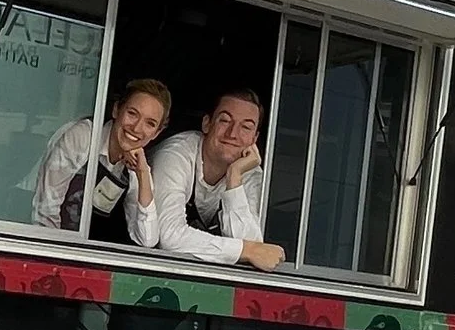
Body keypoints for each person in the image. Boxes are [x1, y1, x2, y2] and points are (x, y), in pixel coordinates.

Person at [150, 87, 286, 271]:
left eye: (246, 127)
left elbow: (254, 251)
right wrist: (246, 250)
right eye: (225, 120)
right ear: (207, 123)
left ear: (254, 138)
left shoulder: (248, 170)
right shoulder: (175, 154)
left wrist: (234, 176)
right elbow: (169, 237)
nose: (232, 133)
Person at [33, 76, 171, 245]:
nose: (136, 128)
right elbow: (45, 211)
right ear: (116, 110)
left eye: (150, 124)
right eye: (132, 114)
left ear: (156, 133)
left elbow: (147, 239)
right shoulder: (83, 137)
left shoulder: (137, 165)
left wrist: (143, 174)